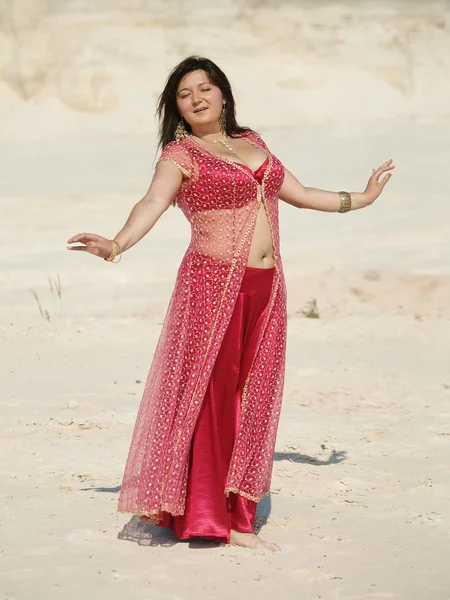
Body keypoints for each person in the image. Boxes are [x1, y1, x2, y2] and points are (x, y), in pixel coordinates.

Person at [67, 56, 394, 552]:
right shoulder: (181, 154)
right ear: (175, 107)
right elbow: (152, 203)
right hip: (214, 287)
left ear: (223, 93)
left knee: (252, 396)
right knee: (214, 399)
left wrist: (362, 199)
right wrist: (116, 244)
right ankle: (212, 518)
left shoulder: (254, 142)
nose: (197, 97)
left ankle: (231, 509)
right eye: (184, 93)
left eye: (205, 87)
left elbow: (301, 194)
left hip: (267, 287)